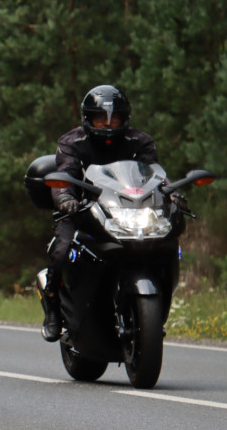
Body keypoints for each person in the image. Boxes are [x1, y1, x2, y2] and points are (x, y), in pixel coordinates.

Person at [40, 85, 158, 341]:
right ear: (88, 118)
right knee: (61, 251)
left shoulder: (139, 141)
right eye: (100, 118)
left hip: (126, 211)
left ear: (124, 118)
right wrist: (65, 199)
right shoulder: (72, 142)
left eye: (113, 118)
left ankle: (153, 305)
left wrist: (171, 194)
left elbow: (155, 173)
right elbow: (66, 173)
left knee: (164, 244)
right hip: (84, 210)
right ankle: (52, 307)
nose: (107, 124)